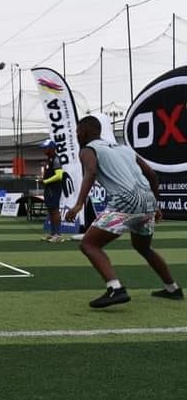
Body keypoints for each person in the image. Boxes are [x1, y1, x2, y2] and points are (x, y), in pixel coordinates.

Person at [65, 116, 182, 308]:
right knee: (144, 247)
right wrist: (155, 205)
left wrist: (78, 204)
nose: (77, 134)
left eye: (78, 131)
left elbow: (91, 172)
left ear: (85, 131)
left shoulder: (88, 150)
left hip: (126, 202)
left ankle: (115, 289)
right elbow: (151, 174)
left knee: (89, 244)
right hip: (147, 202)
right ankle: (172, 288)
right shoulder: (124, 148)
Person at [40, 139, 65, 243]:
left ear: (52, 149)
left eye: (46, 148)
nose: (44, 150)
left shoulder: (56, 159)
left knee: (54, 210)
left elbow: (59, 175)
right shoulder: (49, 159)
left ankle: (58, 235)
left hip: (54, 188)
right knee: (50, 210)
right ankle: (52, 233)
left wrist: (46, 181)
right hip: (49, 188)